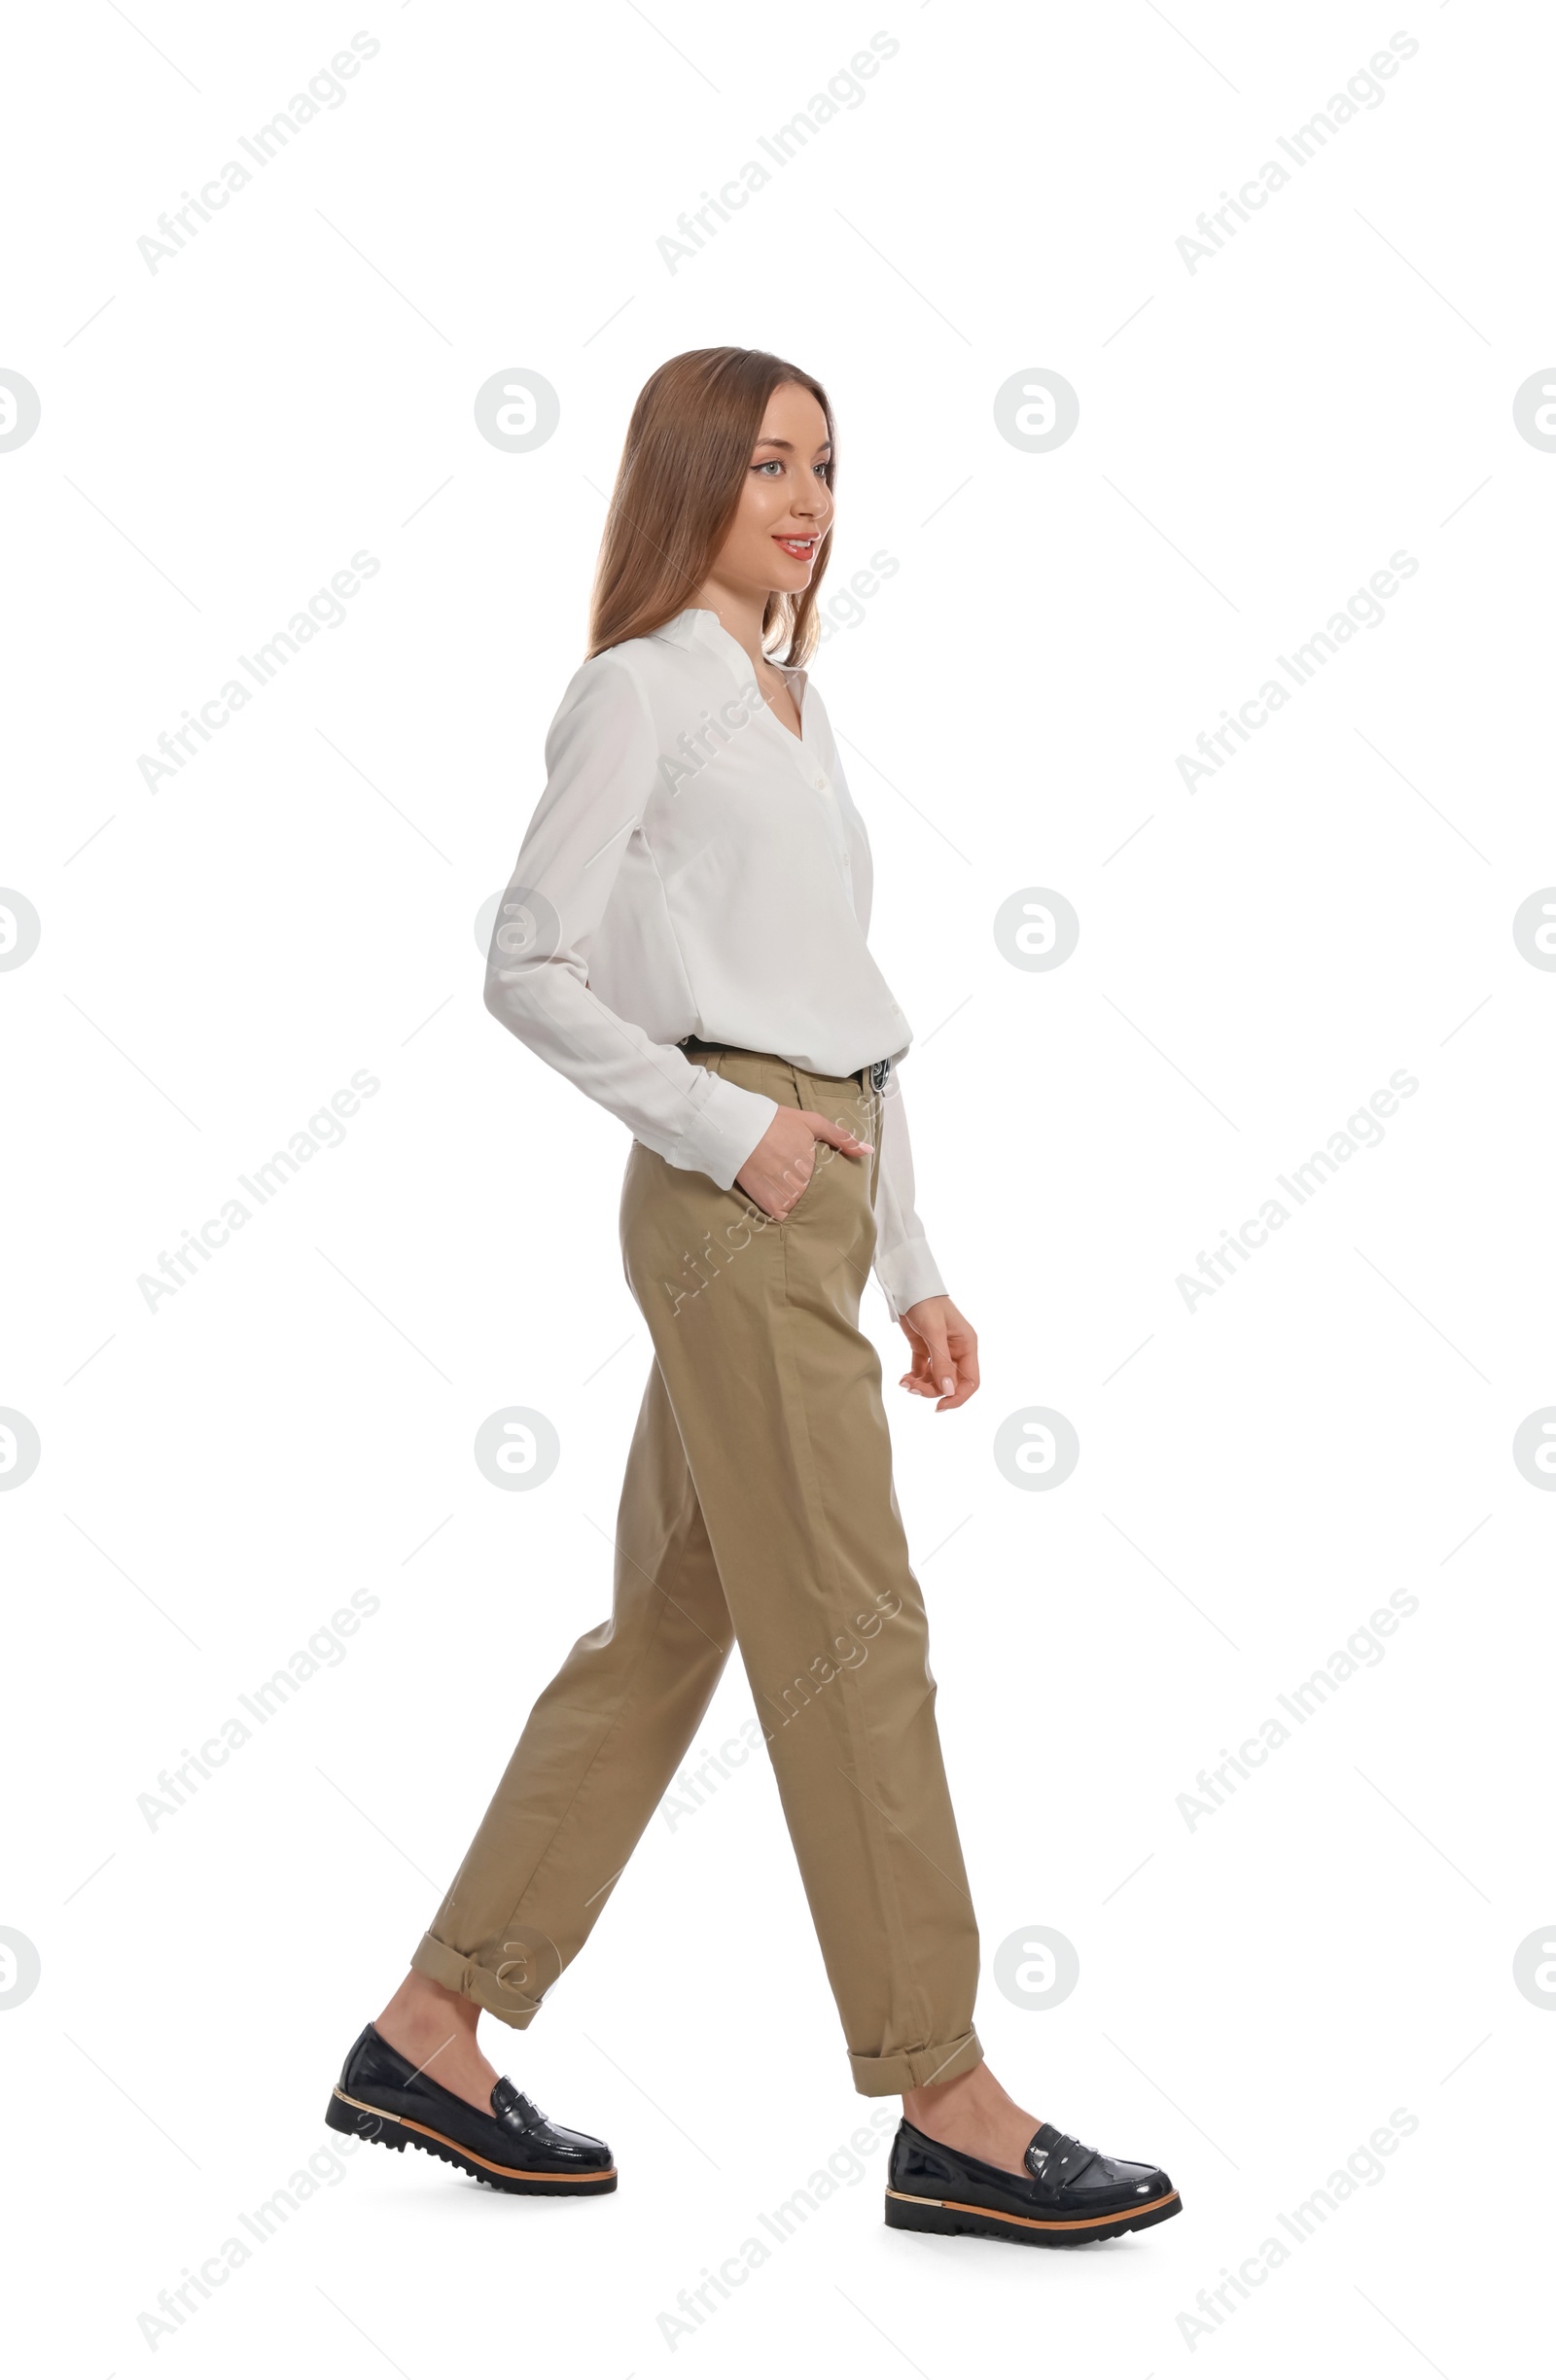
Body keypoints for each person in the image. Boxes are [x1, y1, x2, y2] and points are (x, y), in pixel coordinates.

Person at [325, 347, 1182, 2249]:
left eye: (824, 465)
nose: (803, 497)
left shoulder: (794, 699)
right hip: (733, 1193)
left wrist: (917, 1262)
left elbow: (841, 1001)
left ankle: (429, 2023)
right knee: (859, 1632)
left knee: (663, 1637)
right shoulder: (635, 694)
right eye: (766, 461)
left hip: (816, 1184)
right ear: (687, 478)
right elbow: (525, 962)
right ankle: (945, 2099)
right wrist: (725, 1136)